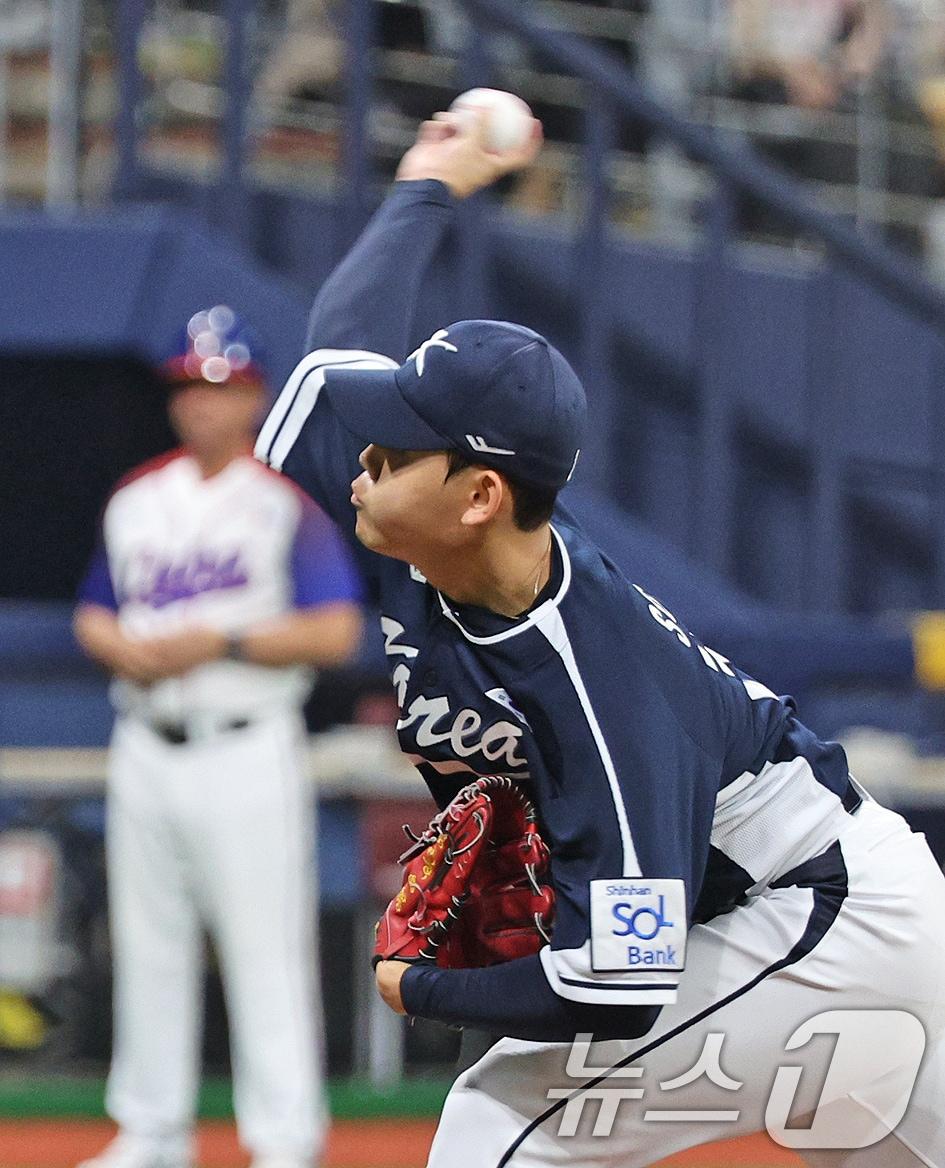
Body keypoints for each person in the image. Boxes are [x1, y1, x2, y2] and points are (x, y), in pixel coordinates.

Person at [254, 114, 945, 1167]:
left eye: (393, 448)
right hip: (830, 922)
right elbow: (330, 354)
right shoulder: (415, 529)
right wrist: (427, 183)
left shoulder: (592, 677)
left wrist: (421, 986)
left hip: (825, 923)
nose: (362, 462)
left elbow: (619, 983)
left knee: (501, 1122)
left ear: (481, 492)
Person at [73, 307, 364, 1168]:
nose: (200, 405)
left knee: (263, 947)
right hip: (146, 741)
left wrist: (222, 642)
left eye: (220, 387)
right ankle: (151, 1130)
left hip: (246, 740)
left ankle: (282, 1140)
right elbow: (94, 609)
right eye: (187, 388)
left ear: (254, 397)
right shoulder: (136, 499)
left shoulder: (282, 509)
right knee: (147, 940)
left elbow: (338, 631)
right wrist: (114, 642)